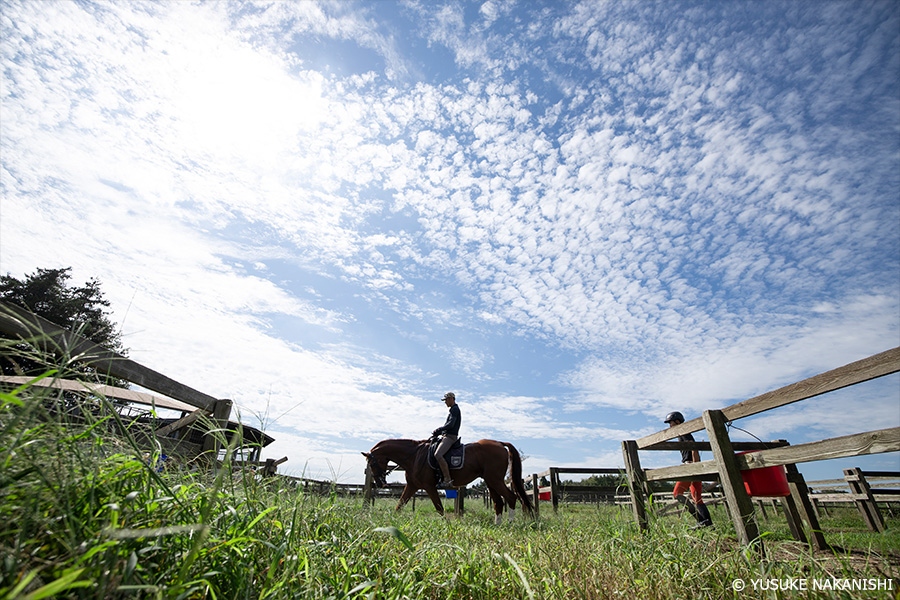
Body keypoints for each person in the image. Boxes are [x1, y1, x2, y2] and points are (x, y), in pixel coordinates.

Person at [664, 411, 713, 528]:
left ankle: (701, 521)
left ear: (677, 421)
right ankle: (709, 524)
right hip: (694, 465)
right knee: (697, 498)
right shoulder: (682, 433)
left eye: (670, 423)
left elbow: (693, 448)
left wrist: (694, 466)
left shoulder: (684, 432)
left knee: (677, 494)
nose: (670, 426)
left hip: (690, 466)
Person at [432, 392, 461, 488]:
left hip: (450, 437)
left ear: (452, 399)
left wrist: (439, 429)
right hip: (446, 435)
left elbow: (451, 425)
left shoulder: (455, 409)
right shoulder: (452, 410)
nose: (445, 402)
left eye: (446, 400)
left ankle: (447, 479)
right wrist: (439, 433)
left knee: (438, 454)